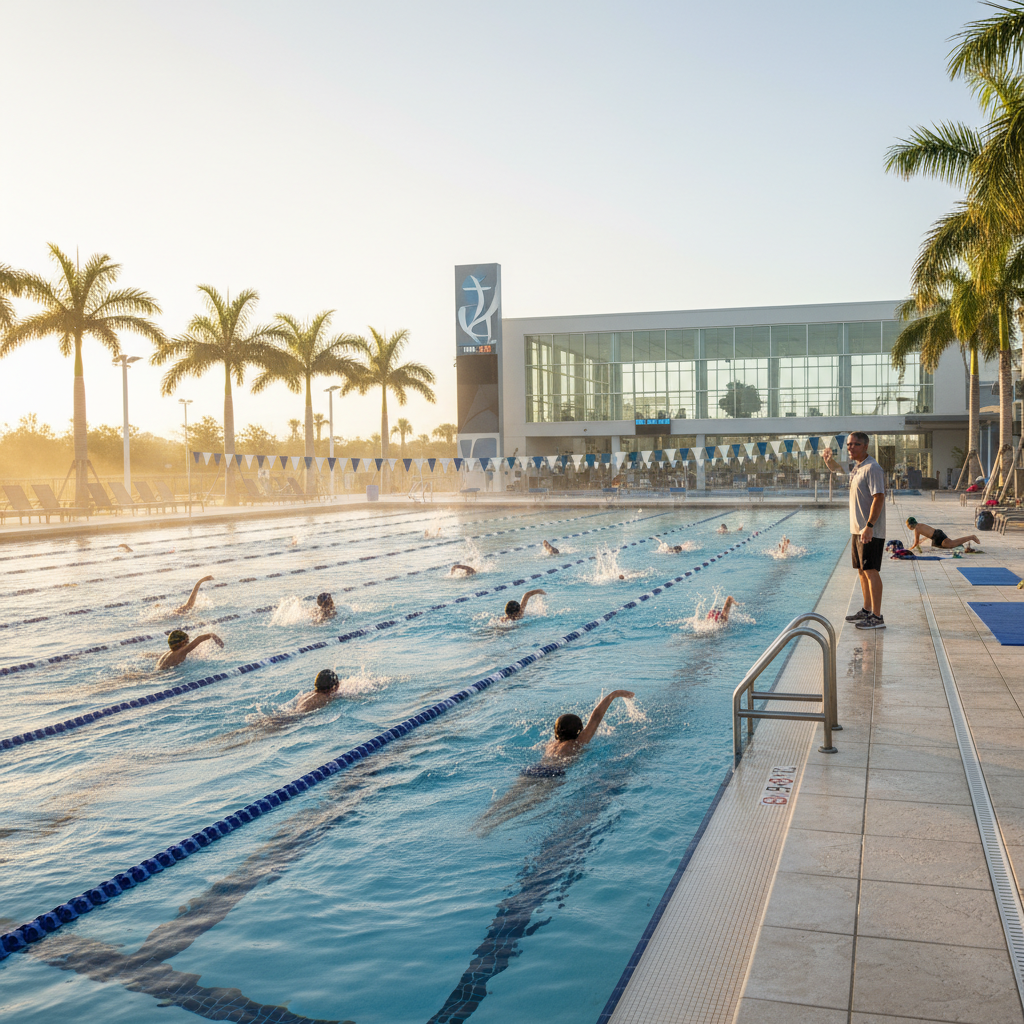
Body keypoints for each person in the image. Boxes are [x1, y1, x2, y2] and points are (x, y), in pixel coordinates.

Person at [473, 689, 635, 835]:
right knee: (528, 804)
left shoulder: (551, 744)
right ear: (578, 732)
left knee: (508, 797)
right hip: (552, 774)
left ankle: (482, 820)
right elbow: (596, 716)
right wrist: (614, 694)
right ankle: (493, 825)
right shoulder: (577, 743)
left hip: (533, 769)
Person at [823, 432, 886, 630]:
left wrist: (869, 526)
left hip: (869, 530)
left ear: (866, 446)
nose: (851, 447)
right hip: (858, 530)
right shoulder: (857, 467)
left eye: (855, 444)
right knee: (861, 571)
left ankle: (877, 617)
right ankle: (867, 610)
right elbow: (838, 470)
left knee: (871, 571)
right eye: (849, 444)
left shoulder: (872, 468)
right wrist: (828, 461)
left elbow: (879, 498)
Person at [157, 628, 224, 669]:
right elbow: (199, 639)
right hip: (162, 675)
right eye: (187, 641)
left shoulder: (169, 653)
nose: (188, 643)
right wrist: (212, 635)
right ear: (183, 642)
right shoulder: (181, 651)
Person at [905, 517, 979, 551]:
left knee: (951, 544)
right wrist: (921, 541)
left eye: (908, 526)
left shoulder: (917, 529)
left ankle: (972, 537)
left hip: (938, 536)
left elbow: (916, 543)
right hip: (936, 536)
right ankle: (959, 544)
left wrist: (910, 549)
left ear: (911, 525)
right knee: (949, 546)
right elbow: (928, 535)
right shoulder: (920, 525)